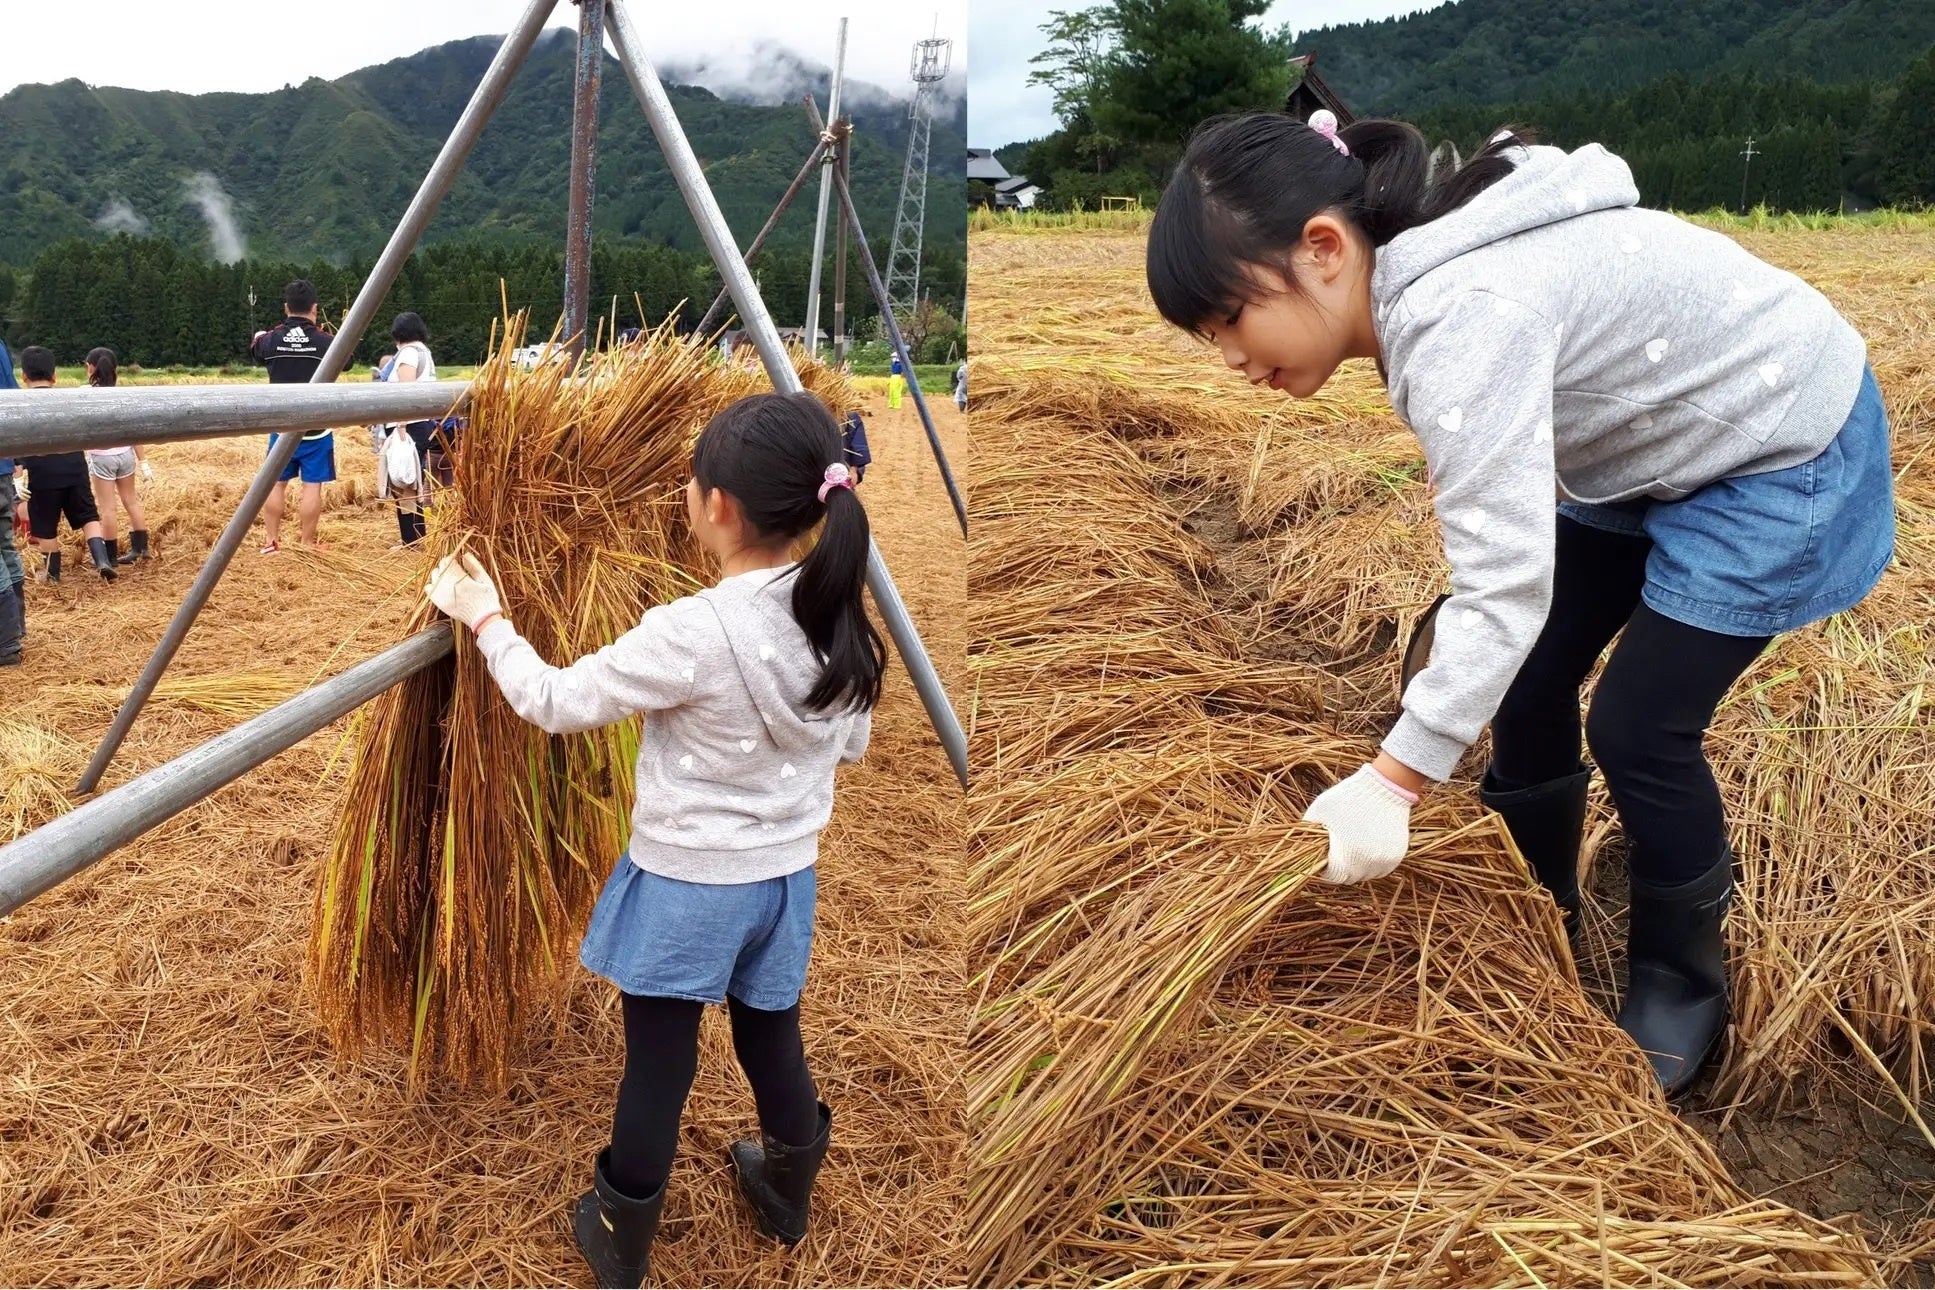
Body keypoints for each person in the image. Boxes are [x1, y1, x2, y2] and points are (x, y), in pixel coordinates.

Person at [1146, 111, 1892, 1098]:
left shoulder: (1457, 315)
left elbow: (1502, 589)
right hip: (1654, 438)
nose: (1231, 361)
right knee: (1528, 674)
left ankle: (1681, 976)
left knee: (1638, 726)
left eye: (1231, 321)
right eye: (1208, 340)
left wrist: (1393, 783)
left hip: (1776, 442)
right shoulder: (1424, 276)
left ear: (1322, 249)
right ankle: (1540, 905)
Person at [423, 391, 882, 1287]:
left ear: (717, 506)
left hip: (687, 889)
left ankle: (619, 1231)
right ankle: (786, 1189)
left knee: (660, 1066)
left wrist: (485, 618)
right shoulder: (835, 609)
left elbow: (553, 701)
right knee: (771, 1036)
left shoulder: (693, 631)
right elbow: (851, 742)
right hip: (786, 882)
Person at [13, 347, 118, 582]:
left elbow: (17, 444)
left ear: (24, 376)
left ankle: (52, 573)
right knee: (88, 516)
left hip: (43, 475)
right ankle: (102, 560)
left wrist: (18, 478)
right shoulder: (68, 399)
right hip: (75, 467)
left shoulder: (20, 404)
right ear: (54, 376)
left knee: (45, 525)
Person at [250, 280, 336, 553]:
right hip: (316, 428)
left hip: (282, 426)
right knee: (312, 487)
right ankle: (306, 543)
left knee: (276, 483)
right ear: (315, 308)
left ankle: (271, 541)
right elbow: (347, 360)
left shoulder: (272, 338)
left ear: (286, 308)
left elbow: (255, 350)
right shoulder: (326, 341)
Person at [80, 347, 153, 566]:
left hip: (102, 457)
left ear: (90, 368)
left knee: (107, 509)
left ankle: (109, 557)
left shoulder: (84, 394)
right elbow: (135, 432)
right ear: (115, 369)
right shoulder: (124, 395)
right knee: (131, 501)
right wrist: (144, 462)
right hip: (125, 455)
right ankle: (141, 549)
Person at [385, 313, 438, 547]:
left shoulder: (408, 353)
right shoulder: (424, 352)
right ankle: (415, 536)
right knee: (411, 480)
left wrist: (401, 427)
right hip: (421, 423)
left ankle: (411, 539)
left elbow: (405, 394)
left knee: (404, 482)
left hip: (408, 426)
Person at [0, 339, 23, 663]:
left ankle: (6, 643)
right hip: (3, 466)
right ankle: (16, 629)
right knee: (5, 546)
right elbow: (14, 400)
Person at [840, 410, 871, 484]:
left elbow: (858, 445)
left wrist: (854, 469)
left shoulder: (851, 417)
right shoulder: (814, 415)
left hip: (844, 474)